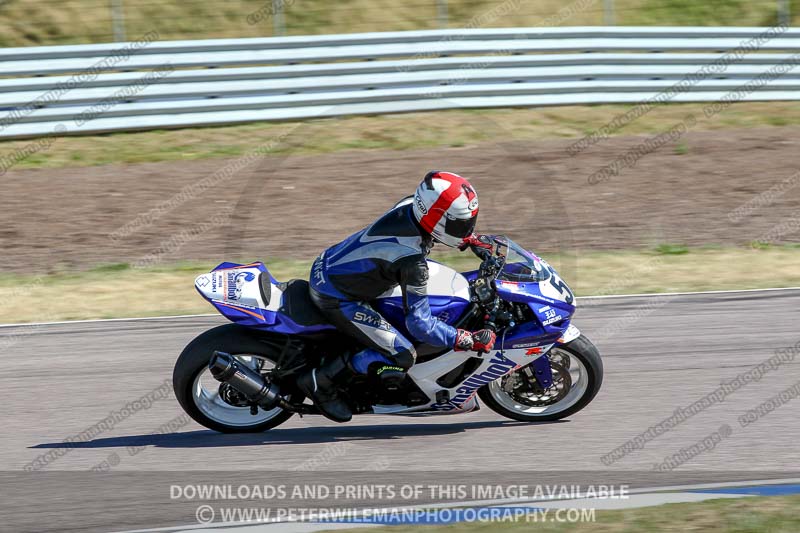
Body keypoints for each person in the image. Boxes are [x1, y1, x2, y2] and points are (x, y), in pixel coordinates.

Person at [297, 171, 497, 422]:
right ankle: (321, 381)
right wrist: (464, 338)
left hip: (333, 264)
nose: (466, 228)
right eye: (460, 224)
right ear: (435, 216)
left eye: (468, 222)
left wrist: (469, 239)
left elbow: (437, 230)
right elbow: (420, 324)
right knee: (403, 353)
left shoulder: (410, 205)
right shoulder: (411, 262)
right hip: (338, 296)